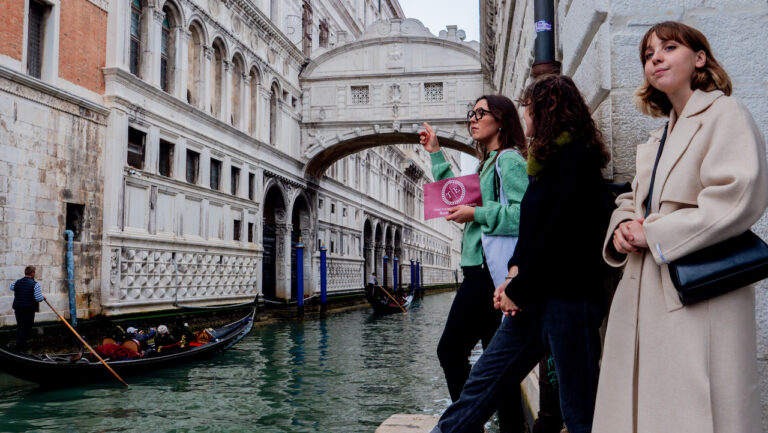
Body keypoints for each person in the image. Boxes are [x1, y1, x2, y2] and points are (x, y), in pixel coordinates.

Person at [593, 21, 768, 433]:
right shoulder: (659, 136)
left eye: (669, 47)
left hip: (699, 289)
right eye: (648, 54)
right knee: (651, 407)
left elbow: (738, 196)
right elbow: (633, 200)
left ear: (700, 58)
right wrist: (622, 228)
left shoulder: (724, 114)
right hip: (647, 290)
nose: (656, 58)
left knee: (698, 407)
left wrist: (653, 233)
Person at [430, 76, 612, 433]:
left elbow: (559, 237)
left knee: (579, 412)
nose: (524, 112)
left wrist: (517, 285)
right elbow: (531, 233)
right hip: (531, 298)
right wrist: (513, 275)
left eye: (528, 106)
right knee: (483, 382)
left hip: (567, 302)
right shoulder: (541, 166)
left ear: (546, 110)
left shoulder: (575, 161)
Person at [420, 94, 529, 432]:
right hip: (484, 273)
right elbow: (454, 196)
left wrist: (477, 213)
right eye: (472, 112)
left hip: (487, 275)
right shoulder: (488, 163)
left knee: (451, 352)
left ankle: (467, 426)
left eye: (481, 113)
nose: (473, 118)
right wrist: (436, 152)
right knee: (498, 366)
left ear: (501, 119)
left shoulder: (508, 160)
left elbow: (525, 215)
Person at [10, 266, 45, 351]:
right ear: (32, 274)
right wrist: (42, 297)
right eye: (34, 273)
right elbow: (38, 298)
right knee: (26, 330)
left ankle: (20, 347)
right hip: (28, 311)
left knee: (20, 328)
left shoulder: (16, 282)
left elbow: (11, 287)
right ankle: (19, 349)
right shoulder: (35, 284)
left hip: (18, 309)